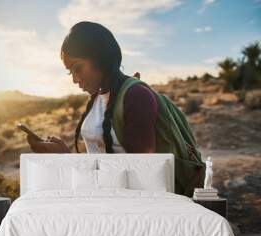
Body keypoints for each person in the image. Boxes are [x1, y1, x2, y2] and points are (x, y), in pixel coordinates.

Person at [26, 21, 205, 197]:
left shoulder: (136, 96)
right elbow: (101, 162)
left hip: (137, 208)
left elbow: (143, 177)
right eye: (70, 72)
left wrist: (68, 161)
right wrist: (65, 155)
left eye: (78, 68)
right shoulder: (97, 98)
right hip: (106, 199)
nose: (74, 79)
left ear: (99, 58)